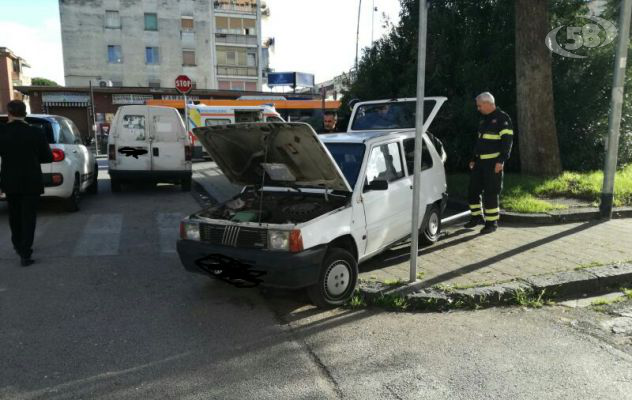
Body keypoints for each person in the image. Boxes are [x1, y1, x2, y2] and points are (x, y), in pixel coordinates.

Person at [0, 100, 53, 266]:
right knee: (29, 217)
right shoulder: (36, 132)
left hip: (10, 180)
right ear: (25, 113)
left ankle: (17, 244)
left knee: (14, 215)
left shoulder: (2, 132)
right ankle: (25, 252)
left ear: (9, 113)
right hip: (31, 180)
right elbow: (48, 157)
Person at [464, 92, 514, 234]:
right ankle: (476, 217)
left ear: (487, 103)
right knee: (472, 190)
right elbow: (480, 141)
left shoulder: (503, 119)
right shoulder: (483, 120)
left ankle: (491, 223)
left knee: (491, 193)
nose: (478, 108)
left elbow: (507, 142)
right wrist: (474, 159)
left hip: (493, 163)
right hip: (479, 162)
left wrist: (501, 160)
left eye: (479, 106)